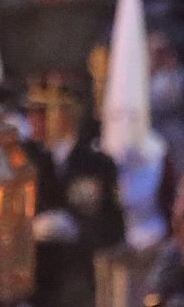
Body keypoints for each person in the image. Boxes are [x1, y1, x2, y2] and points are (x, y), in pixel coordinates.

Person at [21, 78, 123, 307]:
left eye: (42, 112)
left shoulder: (97, 165)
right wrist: (30, 227)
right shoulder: (22, 160)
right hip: (29, 274)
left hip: (76, 274)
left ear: (66, 115)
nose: (32, 120)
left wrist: (76, 228)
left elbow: (114, 226)